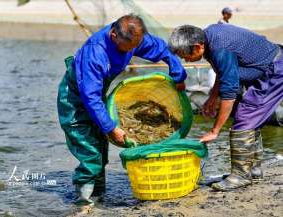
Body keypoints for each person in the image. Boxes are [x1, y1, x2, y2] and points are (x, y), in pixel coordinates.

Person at [57, 14, 186, 206]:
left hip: (97, 93)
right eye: (128, 48)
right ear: (113, 35)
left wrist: (178, 74)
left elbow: (163, 50)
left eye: (136, 45)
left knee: (101, 146)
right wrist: (111, 128)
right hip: (75, 98)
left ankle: (98, 194)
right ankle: (83, 200)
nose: (133, 49)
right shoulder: (95, 53)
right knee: (89, 149)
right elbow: (89, 97)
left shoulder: (133, 36)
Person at [168, 24, 283, 191]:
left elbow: (229, 93)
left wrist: (215, 131)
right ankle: (253, 170)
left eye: (185, 56)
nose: (185, 60)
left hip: (273, 70)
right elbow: (223, 71)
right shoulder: (207, 37)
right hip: (262, 66)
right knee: (249, 118)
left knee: (245, 118)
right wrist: (212, 98)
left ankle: (241, 176)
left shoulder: (220, 49)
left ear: (198, 47)